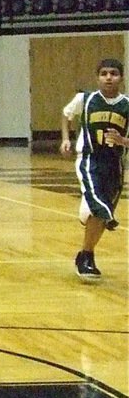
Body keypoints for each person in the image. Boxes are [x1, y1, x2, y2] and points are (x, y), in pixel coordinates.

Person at [60, 57, 128, 280]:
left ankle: (86, 255)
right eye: (104, 73)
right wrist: (66, 139)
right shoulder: (85, 99)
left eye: (114, 73)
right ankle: (105, 215)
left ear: (121, 77)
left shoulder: (126, 105)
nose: (109, 77)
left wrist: (123, 141)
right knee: (100, 206)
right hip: (90, 159)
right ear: (97, 77)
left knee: (93, 214)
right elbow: (66, 115)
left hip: (115, 163)